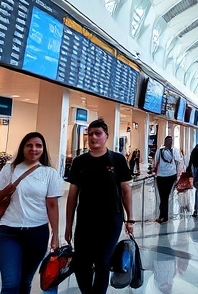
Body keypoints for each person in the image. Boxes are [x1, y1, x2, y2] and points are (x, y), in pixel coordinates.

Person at [0, 132, 62, 294]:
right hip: (9, 232)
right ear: (23, 148)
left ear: (43, 149)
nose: (34, 149)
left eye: (38, 145)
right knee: (10, 284)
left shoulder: (50, 173)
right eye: (29, 145)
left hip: (37, 233)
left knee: (24, 282)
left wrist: (55, 235)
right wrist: (7, 189)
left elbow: (52, 206)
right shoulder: (10, 169)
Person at [65, 119, 134, 294]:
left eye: (98, 134)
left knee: (103, 261)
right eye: (90, 134)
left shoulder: (117, 160)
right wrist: (68, 225)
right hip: (85, 221)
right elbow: (72, 196)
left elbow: (126, 191)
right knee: (81, 264)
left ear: (106, 137)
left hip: (111, 220)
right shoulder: (79, 162)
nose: (94, 137)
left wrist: (130, 219)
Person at [152, 135, 178, 223]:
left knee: (164, 197)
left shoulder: (172, 151)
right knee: (164, 197)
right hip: (165, 176)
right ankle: (164, 216)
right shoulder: (162, 151)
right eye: (169, 141)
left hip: (166, 176)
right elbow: (178, 162)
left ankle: (162, 216)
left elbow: (155, 162)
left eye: (171, 141)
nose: (170, 143)